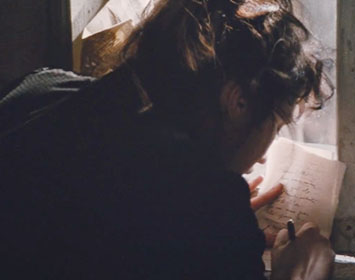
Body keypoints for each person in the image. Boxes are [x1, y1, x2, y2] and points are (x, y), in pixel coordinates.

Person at [0, 0, 334, 279]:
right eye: (275, 125)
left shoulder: (38, 90)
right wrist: (296, 274)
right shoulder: (205, 209)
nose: (263, 158)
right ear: (238, 102)